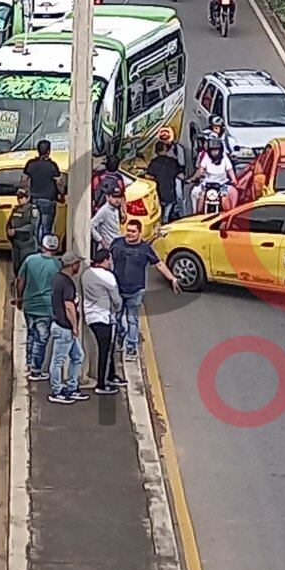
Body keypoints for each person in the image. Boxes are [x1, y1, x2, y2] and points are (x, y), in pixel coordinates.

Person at [109, 220, 175, 360]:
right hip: (117, 290)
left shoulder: (145, 249)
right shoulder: (116, 243)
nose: (130, 234)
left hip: (136, 291)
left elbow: (159, 264)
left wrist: (172, 278)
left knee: (132, 320)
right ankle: (120, 336)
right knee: (117, 318)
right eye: (128, 230)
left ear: (139, 232)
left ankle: (131, 347)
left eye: (133, 231)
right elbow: (107, 259)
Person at [14, 235, 65, 382]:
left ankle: (29, 363)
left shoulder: (30, 260)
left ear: (43, 246)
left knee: (31, 334)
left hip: (30, 305)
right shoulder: (58, 265)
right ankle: (36, 370)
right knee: (41, 339)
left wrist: (19, 297)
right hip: (47, 308)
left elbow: (20, 280)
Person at [82, 248, 123, 394]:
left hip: (90, 316)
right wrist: (118, 308)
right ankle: (102, 383)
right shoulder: (108, 276)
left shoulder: (86, 274)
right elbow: (116, 299)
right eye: (109, 260)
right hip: (104, 317)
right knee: (105, 351)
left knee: (106, 349)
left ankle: (110, 376)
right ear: (105, 260)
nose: (110, 262)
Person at [47, 253, 87, 404]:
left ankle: (72, 386)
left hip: (63, 327)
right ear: (73, 265)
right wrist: (75, 327)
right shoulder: (66, 283)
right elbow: (69, 307)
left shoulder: (59, 279)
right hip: (65, 328)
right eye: (78, 263)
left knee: (78, 356)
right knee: (58, 360)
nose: (79, 266)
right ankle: (56, 391)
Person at [24, 141, 64, 239]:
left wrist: (28, 192)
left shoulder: (30, 164)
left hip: (34, 200)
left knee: (35, 226)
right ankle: (44, 248)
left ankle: (36, 247)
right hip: (48, 200)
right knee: (46, 228)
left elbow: (24, 180)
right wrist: (62, 194)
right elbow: (59, 183)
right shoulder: (52, 165)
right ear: (48, 151)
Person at [147, 131, 186, 222]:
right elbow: (181, 175)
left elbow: (148, 175)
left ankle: (179, 215)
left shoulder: (177, 149)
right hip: (168, 191)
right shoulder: (170, 162)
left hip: (162, 189)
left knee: (178, 197)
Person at [190, 142, 237, 215]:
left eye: (216, 150)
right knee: (194, 193)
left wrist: (234, 179)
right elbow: (201, 169)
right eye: (212, 150)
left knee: (234, 193)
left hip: (222, 185)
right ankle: (194, 214)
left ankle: (232, 214)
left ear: (220, 150)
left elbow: (229, 170)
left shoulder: (224, 158)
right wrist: (195, 177)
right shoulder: (206, 157)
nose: (214, 152)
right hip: (207, 185)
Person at [7, 187, 43, 268]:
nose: (19, 199)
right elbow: (9, 223)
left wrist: (16, 230)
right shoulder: (16, 209)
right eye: (18, 197)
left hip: (27, 243)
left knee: (26, 266)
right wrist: (9, 232)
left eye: (21, 197)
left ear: (28, 198)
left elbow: (32, 226)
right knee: (16, 266)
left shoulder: (32, 209)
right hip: (16, 242)